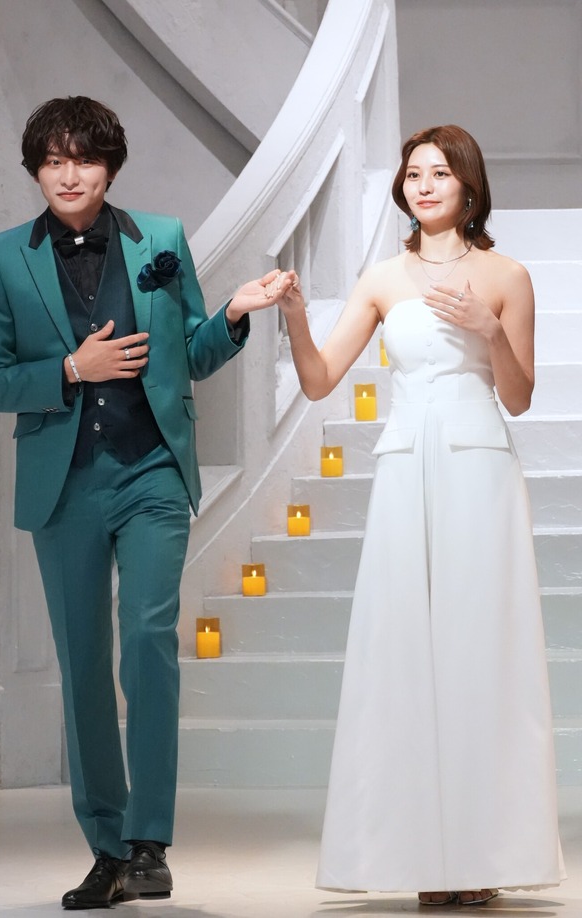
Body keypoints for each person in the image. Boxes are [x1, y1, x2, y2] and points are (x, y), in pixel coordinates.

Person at [0, 95, 296, 910]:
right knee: (82, 662)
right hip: (65, 485)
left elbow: (191, 354)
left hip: (151, 469)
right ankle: (107, 849)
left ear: (109, 167)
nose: (68, 174)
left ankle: (150, 841)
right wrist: (71, 370)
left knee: (149, 639)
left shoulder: (162, 239)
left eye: (84, 159)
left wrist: (234, 313)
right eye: (53, 161)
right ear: (36, 170)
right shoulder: (3, 258)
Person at [275, 125, 564, 905]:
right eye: (413, 174)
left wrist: (489, 330)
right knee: (400, 649)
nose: (424, 185)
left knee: (482, 651)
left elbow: (518, 397)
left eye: (439, 173)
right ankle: (414, 861)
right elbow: (319, 380)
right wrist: (296, 314)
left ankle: (481, 860)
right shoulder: (381, 279)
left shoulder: (506, 275)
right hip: (406, 466)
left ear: (469, 186)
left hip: (479, 467)